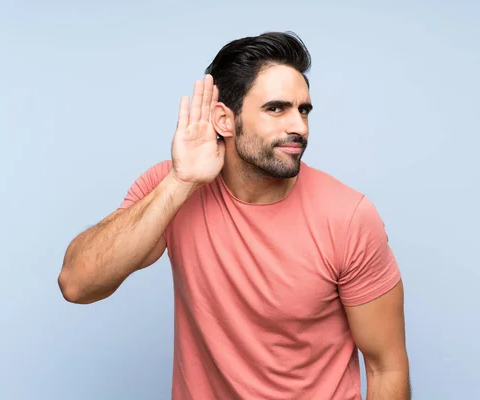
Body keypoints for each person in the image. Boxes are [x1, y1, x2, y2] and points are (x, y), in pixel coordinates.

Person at [58, 31, 410, 400]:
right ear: (225, 121)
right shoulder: (173, 187)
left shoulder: (348, 217)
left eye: (303, 110)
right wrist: (180, 182)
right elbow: (77, 284)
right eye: (276, 108)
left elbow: (386, 366)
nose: (299, 127)